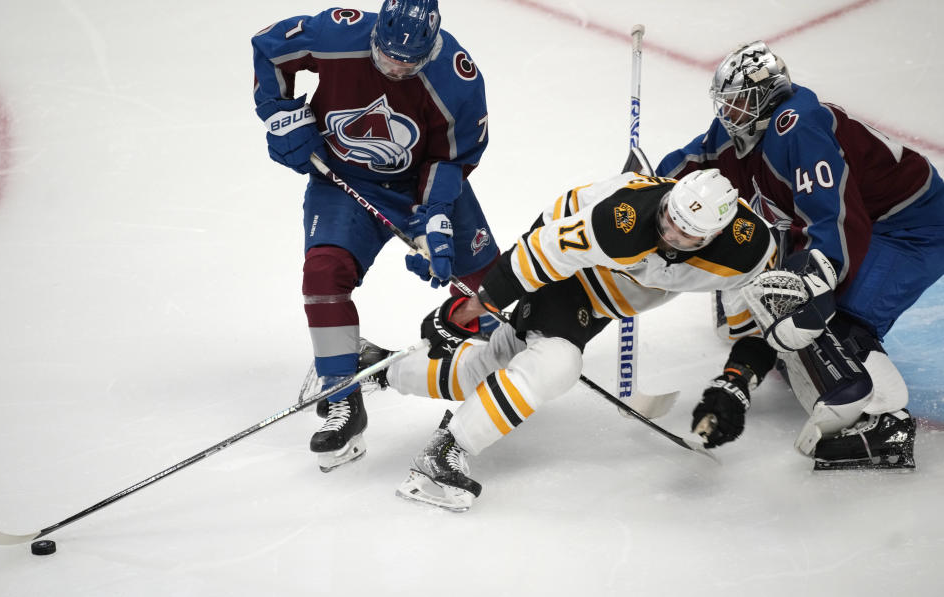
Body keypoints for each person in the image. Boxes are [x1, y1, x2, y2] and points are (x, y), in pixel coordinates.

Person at [361, 169, 776, 511]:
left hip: (602, 300)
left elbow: (757, 327)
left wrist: (736, 382)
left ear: (713, 236)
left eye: (685, 235)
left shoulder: (749, 254)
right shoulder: (624, 218)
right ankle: (444, 452)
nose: (668, 233)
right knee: (556, 363)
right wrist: (468, 310)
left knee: (487, 373)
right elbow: (540, 252)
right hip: (568, 270)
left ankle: (373, 366)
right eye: (668, 217)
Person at [658, 40, 944, 470]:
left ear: (766, 98)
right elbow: (694, 162)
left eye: (738, 103)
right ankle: (807, 345)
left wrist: (812, 288)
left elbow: (838, 221)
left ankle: (886, 423)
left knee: (827, 316)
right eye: (726, 104)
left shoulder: (801, 129)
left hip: (911, 229)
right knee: (772, 292)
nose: (727, 113)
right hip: (868, 220)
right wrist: (643, 191)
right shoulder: (744, 129)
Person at [251, 0, 500, 472]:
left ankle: (507, 361)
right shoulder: (335, 34)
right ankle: (342, 394)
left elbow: (451, 160)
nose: (397, 66)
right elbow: (270, 49)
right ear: (374, 34)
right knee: (323, 273)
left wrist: (436, 218)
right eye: (387, 56)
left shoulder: (459, 79)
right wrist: (280, 114)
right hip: (344, 182)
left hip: (420, 186)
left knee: (488, 285)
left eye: (410, 61)